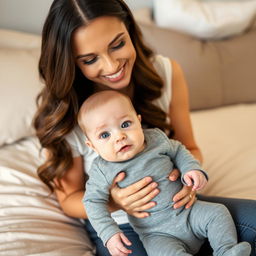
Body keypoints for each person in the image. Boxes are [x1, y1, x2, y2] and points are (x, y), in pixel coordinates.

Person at [33, 0, 256, 255]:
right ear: (71, 61)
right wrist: (115, 202)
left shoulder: (165, 72)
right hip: (126, 225)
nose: (112, 65)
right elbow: (69, 198)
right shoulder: (69, 114)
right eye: (90, 59)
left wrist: (188, 177)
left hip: (181, 204)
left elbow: (188, 146)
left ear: (130, 30)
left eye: (117, 44)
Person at [78, 90, 251, 256]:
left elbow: (179, 150)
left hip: (189, 212)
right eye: (104, 134)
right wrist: (109, 232)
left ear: (138, 121)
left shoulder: (155, 138)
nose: (119, 136)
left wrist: (191, 169)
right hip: (156, 234)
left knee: (218, 213)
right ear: (92, 146)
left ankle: (226, 251)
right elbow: (92, 201)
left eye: (125, 124)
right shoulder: (102, 169)